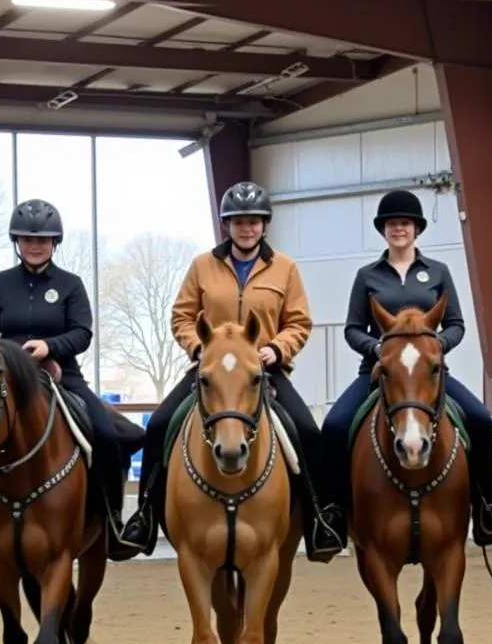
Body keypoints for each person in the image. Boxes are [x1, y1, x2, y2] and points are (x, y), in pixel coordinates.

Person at [118, 180, 347, 564]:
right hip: (211, 373)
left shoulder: (285, 268)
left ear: (264, 225)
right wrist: (199, 348)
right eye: (238, 221)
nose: (246, 228)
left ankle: (319, 520)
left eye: (254, 221)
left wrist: (277, 348)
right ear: (227, 225)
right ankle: (145, 517)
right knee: (159, 424)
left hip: (264, 372)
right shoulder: (202, 266)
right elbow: (182, 316)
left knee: (307, 432)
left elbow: (299, 321)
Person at [0, 198, 135, 563]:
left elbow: (82, 333)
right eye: (26, 239)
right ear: (16, 242)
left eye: (42, 240)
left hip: (62, 375)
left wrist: (50, 347)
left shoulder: (71, 285)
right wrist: (12, 354)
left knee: (103, 433)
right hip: (7, 378)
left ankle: (113, 520)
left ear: (55, 243)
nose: (35, 245)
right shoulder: (0, 283)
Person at [319, 189, 492, 549]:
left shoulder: (437, 272)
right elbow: (352, 328)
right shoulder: (367, 276)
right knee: (333, 426)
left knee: (481, 420)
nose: (399, 229)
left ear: (417, 229)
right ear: (383, 230)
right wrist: (377, 349)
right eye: (392, 224)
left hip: (430, 375)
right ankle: (331, 515)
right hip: (378, 372)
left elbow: (455, 323)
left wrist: (436, 347)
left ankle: (486, 509)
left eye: (405, 223)